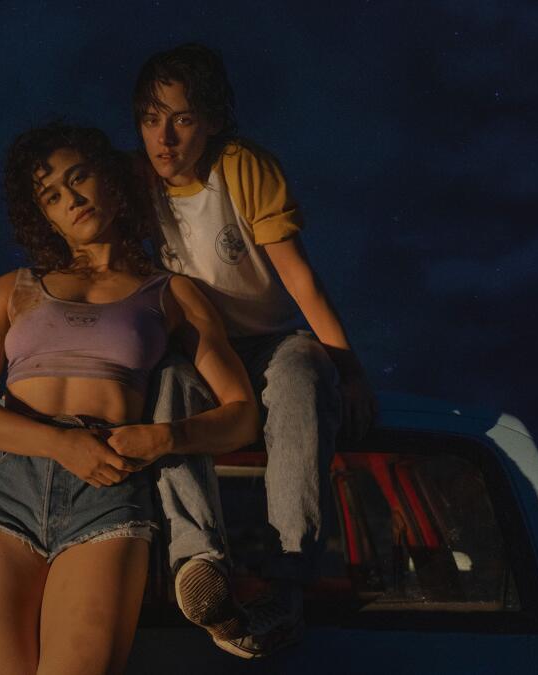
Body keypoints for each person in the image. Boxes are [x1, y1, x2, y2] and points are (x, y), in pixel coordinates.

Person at [0, 123, 259, 675]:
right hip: (5, 488)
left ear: (109, 179)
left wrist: (165, 437)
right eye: (53, 197)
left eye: (79, 178)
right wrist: (60, 444)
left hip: (105, 493)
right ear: (44, 216)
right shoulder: (13, 289)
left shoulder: (171, 292)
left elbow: (242, 415)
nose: (73, 201)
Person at [125, 43, 378, 658]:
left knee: (299, 373)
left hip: (266, 342)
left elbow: (300, 280)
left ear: (210, 120)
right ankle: (198, 561)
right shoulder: (133, 182)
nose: (165, 137)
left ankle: (285, 583)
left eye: (182, 119)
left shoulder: (241, 168)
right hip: (196, 348)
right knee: (167, 391)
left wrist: (348, 370)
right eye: (151, 118)